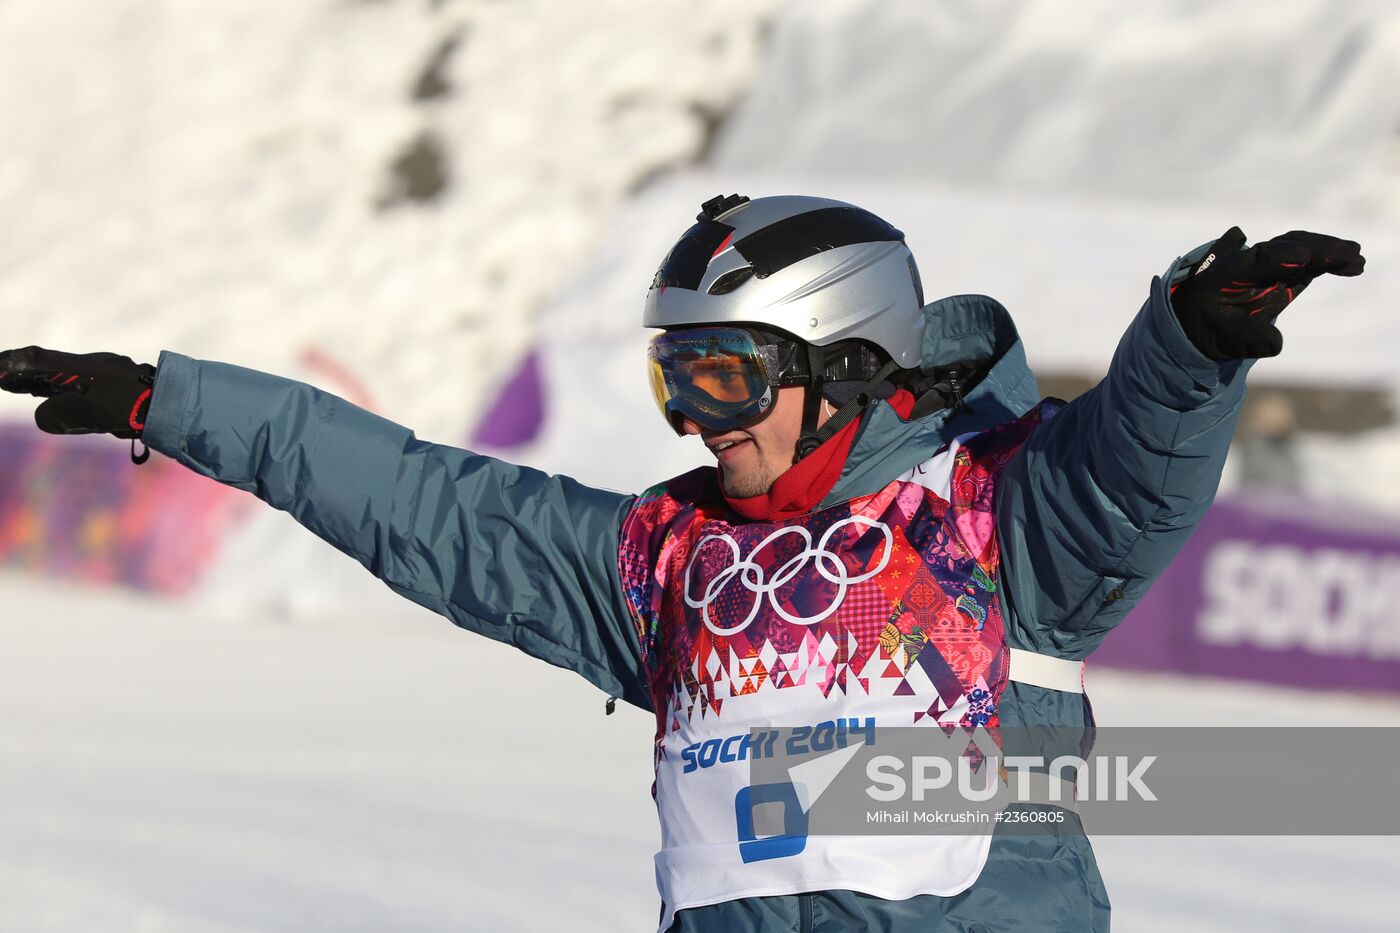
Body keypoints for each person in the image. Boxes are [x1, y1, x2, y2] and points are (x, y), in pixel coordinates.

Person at [0, 194, 1365, 931]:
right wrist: (162, 400)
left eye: (724, 375)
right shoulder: (667, 560)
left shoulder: (997, 521)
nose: (701, 421)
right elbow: (422, 501)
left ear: (844, 364)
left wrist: (1195, 338)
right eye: (677, 381)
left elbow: (1133, 471)